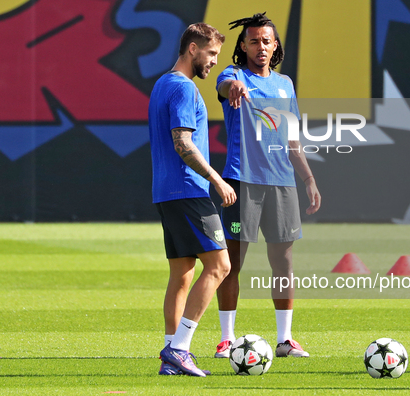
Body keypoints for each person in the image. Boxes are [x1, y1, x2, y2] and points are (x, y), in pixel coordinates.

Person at [214, 13, 321, 359]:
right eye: (254, 41)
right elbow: (222, 85)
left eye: (266, 40)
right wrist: (233, 87)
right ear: (243, 45)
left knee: (284, 263)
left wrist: (308, 178)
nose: (261, 46)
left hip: (282, 183)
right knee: (232, 262)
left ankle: (285, 340)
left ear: (275, 46)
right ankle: (227, 340)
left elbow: (292, 139)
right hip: (242, 179)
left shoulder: (285, 84)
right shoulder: (234, 75)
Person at [149, 22, 236, 377]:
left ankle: (172, 359)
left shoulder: (161, 84)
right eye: (211, 53)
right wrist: (215, 178)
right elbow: (183, 142)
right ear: (192, 50)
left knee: (182, 274)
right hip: (188, 190)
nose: (213, 61)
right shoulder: (184, 89)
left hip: (166, 192)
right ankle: (179, 348)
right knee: (220, 266)